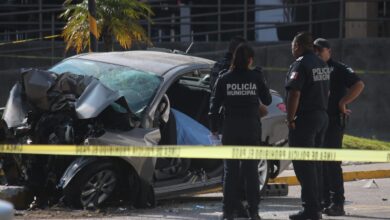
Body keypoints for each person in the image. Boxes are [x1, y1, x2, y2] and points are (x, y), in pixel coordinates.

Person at [209, 43, 272, 220]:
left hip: (231, 129)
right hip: (251, 130)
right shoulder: (256, 77)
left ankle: (228, 212)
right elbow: (266, 100)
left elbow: (213, 107)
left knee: (230, 172)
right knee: (251, 172)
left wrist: (214, 129)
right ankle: (254, 212)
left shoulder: (224, 78)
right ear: (250, 60)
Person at [313, 38, 365, 216]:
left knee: (332, 162)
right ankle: (325, 200)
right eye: (315, 51)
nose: (318, 54)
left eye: (321, 51)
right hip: (317, 121)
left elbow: (359, 84)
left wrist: (343, 102)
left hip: (334, 120)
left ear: (329, 51)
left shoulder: (339, 68)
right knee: (319, 162)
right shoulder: (312, 67)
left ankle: (337, 203)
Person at [285, 32, 330, 220]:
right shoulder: (322, 63)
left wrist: (290, 118)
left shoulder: (301, 64)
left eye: (293, 46)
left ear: (297, 46)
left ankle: (310, 209)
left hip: (305, 120)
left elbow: (294, 93)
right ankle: (317, 205)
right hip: (321, 116)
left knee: (303, 165)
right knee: (314, 164)